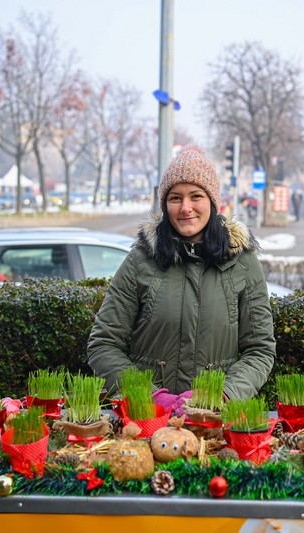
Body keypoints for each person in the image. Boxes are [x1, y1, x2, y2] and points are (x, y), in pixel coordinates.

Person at [87, 146, 276, 409]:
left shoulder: (242, 263)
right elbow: (103, 344)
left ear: (212, 201)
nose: (186, 208)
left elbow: (260, 350)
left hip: (213, 422)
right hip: (147, 419)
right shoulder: (140, 261)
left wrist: (222, 395)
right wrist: (150, 396)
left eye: (196, 196)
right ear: (165, 204)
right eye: (175, 198)